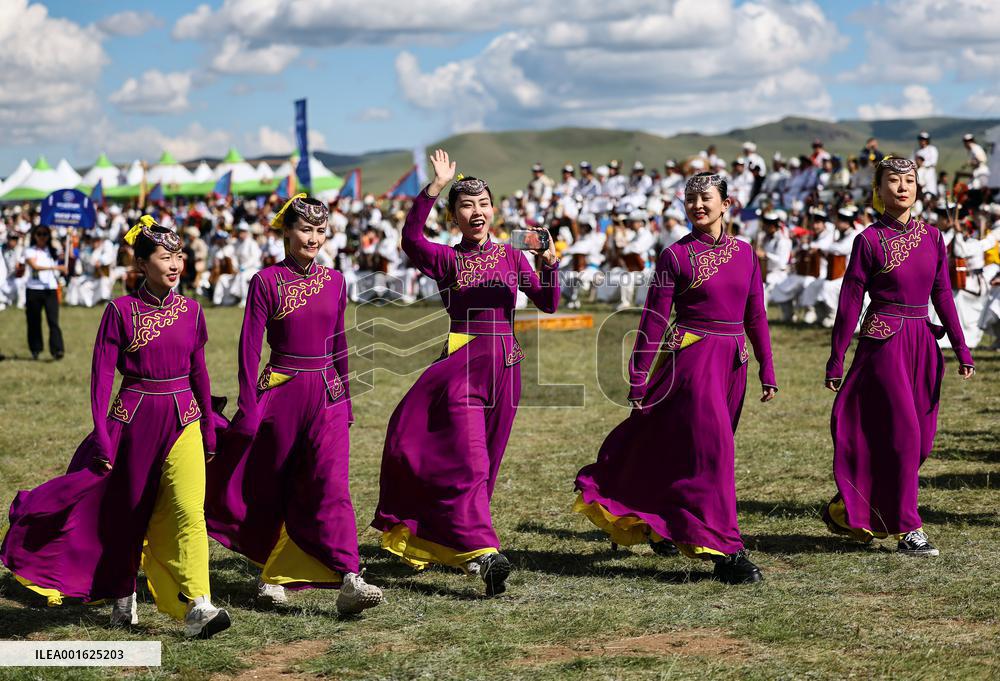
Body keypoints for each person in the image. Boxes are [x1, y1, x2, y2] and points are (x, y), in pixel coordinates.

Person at [1, 216, 231, 638]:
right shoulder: (119, 311)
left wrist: (209, 429)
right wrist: (103, 435)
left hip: (184, 419)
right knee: (129, 515)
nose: (175, 264)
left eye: (179, 256)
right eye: (165, 257)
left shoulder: (192, 310)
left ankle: (199, 604)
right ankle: (123, 593)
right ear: (141, 264)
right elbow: (101, 378)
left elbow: (199, 372)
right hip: (135, 420)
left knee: (189, 511)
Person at [574, 172, 778, 584]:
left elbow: (755, 313)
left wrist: (766, 367)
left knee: (685, 451)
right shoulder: (675, 256)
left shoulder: (745, 254)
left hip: (733, 365)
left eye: (706, 198)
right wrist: (638, 375)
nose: (698, 205)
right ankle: (727, 551)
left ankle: (661, 521)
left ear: (726, 204)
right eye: (691, 199)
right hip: (691, 362)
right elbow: (653, 318)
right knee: (714, 453)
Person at [372, 149, 559, 596]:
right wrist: (434, 187)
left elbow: (548, 303)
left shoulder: (514, 255)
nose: (477, 212)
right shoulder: (446, 260)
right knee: (471, 461)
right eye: (466, 206)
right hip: (461, 368)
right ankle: (486, 554)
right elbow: (410, 239)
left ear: (494, 210)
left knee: (487, 463)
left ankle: (460, 543)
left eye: (483, 204)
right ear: (454, 216)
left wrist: (550, 264)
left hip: (507, 368)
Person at [205, 193, 382, 615]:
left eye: (321, 230)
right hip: (280, 390)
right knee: (273, 485)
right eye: (305, 229)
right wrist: (249, 406)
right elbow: (249, 349)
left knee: (332, 483)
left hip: (327, 394)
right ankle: (271, 575)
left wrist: (346, 399)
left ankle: (350, 578)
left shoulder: (335, 281)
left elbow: (339, 344)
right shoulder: (265, 282)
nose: (314, 238)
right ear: (286, 232)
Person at [823, 157, 975, 556]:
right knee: (905, 436)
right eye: (894, 180)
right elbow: (850, 301)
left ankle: (853, 505)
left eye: (909, 180)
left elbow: (943, 294)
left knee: (920, 440)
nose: (903, 187)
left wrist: (961, 346)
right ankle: (909, 530)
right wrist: (837, 356)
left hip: (923, 342)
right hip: (884, 342)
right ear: (879, 189)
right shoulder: (868, 240)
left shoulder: (933, 237)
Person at [23, 225, 65, 360]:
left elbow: (64, 260)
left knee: (53, 320)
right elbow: (35, 266)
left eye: (45, 234)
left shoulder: (52, 251)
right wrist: (57, 267)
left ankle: (57, 350)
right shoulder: (29, 251)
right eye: (39, 234)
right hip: (33, 289)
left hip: (50, 289)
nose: (42, 237)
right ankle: (35, 349)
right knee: (34, 320)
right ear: (34, 236)